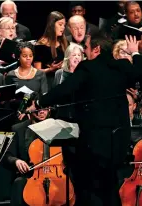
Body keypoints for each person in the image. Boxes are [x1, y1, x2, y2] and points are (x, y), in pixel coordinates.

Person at [29, 33, 142, 206]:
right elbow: (138, 73)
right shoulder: (122, 65)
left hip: (95, 142)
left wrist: (38, 102)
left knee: (90, 189)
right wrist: (135, 53)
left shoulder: (88, 67)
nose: (85, 52)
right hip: (119, 141)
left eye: (87, 48)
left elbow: (65, 89)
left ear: (96, 49)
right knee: (111, 186)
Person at [3, 109, 51, 206]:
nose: (42, 111)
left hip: (55, 173)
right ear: (29, 109)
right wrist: (16, 161)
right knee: (19, 183)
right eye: (38, 108)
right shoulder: (18, 129)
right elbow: (7, 155)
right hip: (30, 176)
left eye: (45, 108)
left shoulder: (56, 126)